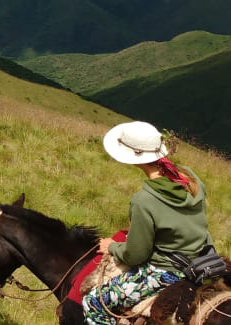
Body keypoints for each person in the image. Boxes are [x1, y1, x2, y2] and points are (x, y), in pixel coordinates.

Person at [82, 121, 213, 325]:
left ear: (133, 157)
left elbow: (136, 255)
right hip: (201, 260)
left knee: (93, 302)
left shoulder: (144, 200)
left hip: (167, 272)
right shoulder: (190, 177)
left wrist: (113, 247)